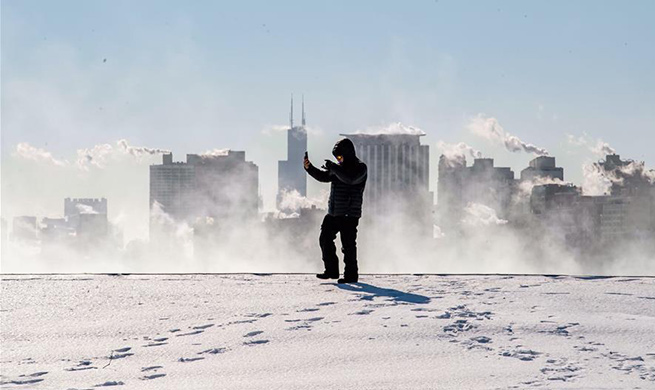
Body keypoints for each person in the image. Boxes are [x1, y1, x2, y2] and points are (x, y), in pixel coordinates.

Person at [303, 138, 367, 284]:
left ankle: (351, 275)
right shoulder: (339, 168)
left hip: (349, 214)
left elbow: (350, 179)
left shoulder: (360, 168)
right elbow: (323, 177)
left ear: (348, 153)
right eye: (337, 157)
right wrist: (309, 168)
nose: (339, 159)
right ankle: (331, 271)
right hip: (334, 213)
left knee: (348, 245)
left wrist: (334, 167)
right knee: (325, 239)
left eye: (340, 156)